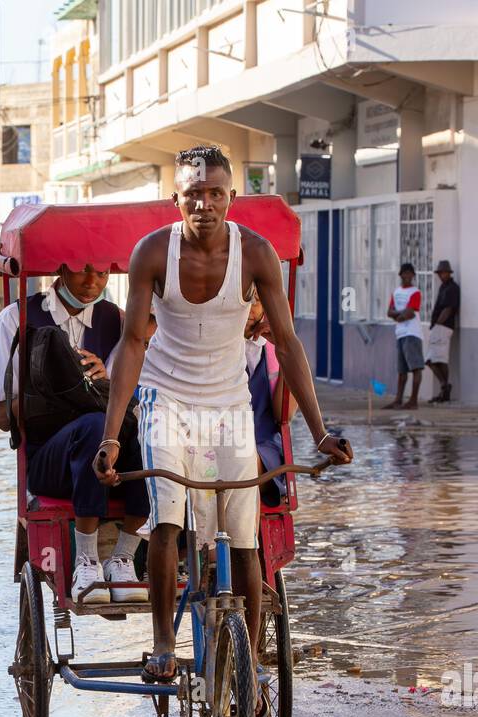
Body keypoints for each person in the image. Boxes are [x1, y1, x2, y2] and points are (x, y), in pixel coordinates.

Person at [95, 144, 352, 683]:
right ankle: (164, 642)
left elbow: (287, 341)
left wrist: (320, 432)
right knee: (167, 519)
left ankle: (253, 661)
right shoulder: (151, 253)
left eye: (215, 194)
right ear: (176, 199)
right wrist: (112, 436)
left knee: (246, 538)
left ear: (231, 198)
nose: (205, 204)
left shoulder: (256, 253)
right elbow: (133, 344)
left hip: (230, 405)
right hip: (164, 400)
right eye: (194, 194)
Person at [0, 264, 151, 603]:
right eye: (81, 271)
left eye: (102, 274)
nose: (92, 282)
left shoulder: (116, 320)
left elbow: (131, 395)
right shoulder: (17, 319)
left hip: (111, 450)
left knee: (152, 431)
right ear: (59, 269)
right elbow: (2, 417)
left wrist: (103, 383)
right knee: (92, 426)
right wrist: (51, 387)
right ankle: (85, 561)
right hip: (49, 460)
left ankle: (123, 557)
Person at [244, 293, 297, 506]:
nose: (249, 308)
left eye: (256, 300)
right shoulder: (215, 346)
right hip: (218, 440)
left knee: (243, 462)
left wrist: (284, 349)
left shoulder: (272, 349)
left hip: (263, 446)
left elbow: (284, 414)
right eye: (243, 299)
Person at [385, 263, 423, 409]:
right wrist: (400, 314)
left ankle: (413, 400)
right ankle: (398, 399)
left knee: (416, 368)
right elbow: (390, 312)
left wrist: (398, 314)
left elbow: (411, 312)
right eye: (404, 273)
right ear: (400, 275)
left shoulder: (415, 292)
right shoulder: (396, 292)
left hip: (412, 332)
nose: (407, 276)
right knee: (402, 371)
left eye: (410, 274)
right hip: (400, 333)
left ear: (413, 276)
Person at [426, 260, 459, 403]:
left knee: (438, 359)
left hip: (443, 326)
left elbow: (449, 308)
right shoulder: (443, 287)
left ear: (448, 273)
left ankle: (445, 387)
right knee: (432, 360)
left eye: (443, 273)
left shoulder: (452, 288)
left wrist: (438, 324)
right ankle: (444, 386)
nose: (441, 275)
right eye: (439, 273)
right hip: (438, 326)